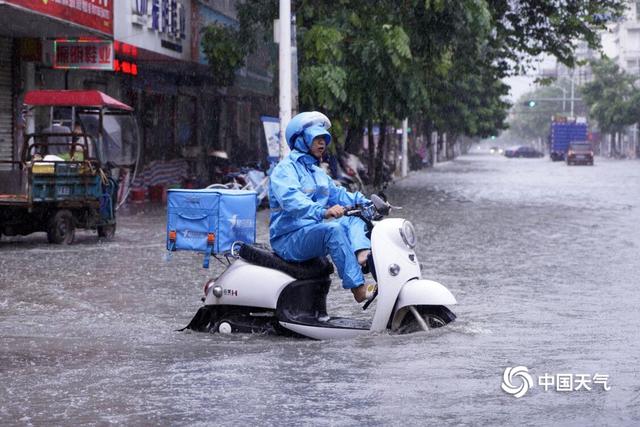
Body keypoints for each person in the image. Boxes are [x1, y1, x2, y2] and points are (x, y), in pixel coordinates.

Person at [269, 112, 375, 303]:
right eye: (316, 138)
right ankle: (358, 288)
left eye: (323, 139)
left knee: (354, 217)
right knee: (333, 230)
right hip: (288, 238)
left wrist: (369, 203)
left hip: (310, 233)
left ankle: (362, 253)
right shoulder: (284, 170)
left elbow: (339, 195)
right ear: (301, 141)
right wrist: (322, 211)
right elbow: (292, 200)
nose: (322, 143)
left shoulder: (317, 172)